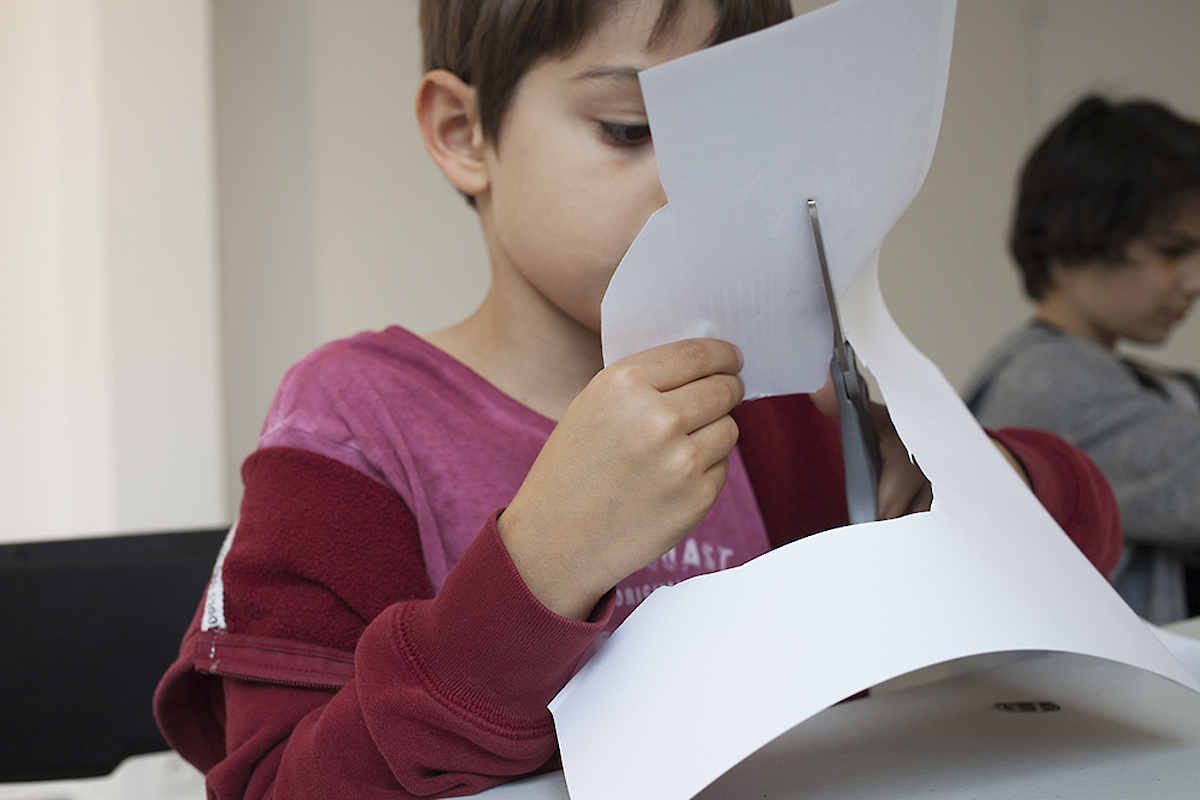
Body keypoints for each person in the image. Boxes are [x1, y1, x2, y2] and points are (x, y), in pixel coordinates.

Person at [155, 3, 1121, 798]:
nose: (693, 189)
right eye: (632, 130)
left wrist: (980, 485)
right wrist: (535, 571)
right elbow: (279, 783)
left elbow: (1081, 554)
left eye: (741, 140)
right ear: (464, 134)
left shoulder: (770, 407)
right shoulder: (350, 421)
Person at [965, 95, 1200, 625]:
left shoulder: (1123, 377)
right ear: (1071, 241)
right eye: (1171, 251)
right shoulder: (1049, 380)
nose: (1194, 281)